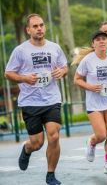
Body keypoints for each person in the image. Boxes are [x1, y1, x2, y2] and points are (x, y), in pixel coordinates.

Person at [5, 14, 68, 185]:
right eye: (35, 26)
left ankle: (50, 174)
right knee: (37, 142)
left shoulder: (54, 48)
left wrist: (62, 72)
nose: (39, 28)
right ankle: (27, 149)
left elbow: (64, 66)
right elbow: (8, 73)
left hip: (52, 99)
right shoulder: (20, 50)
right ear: (28, 30)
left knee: (54, 136)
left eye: (41, 25)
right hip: (30, 102)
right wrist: (25, 78)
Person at [73, 31, 107, 174]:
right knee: (101, 135)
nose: (102, 41)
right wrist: (89, 87)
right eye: (98, 39)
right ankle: (92, 142)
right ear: (93, 44)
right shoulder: (88, 60)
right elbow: (76, 79)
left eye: (104, 39)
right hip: (94, 103)